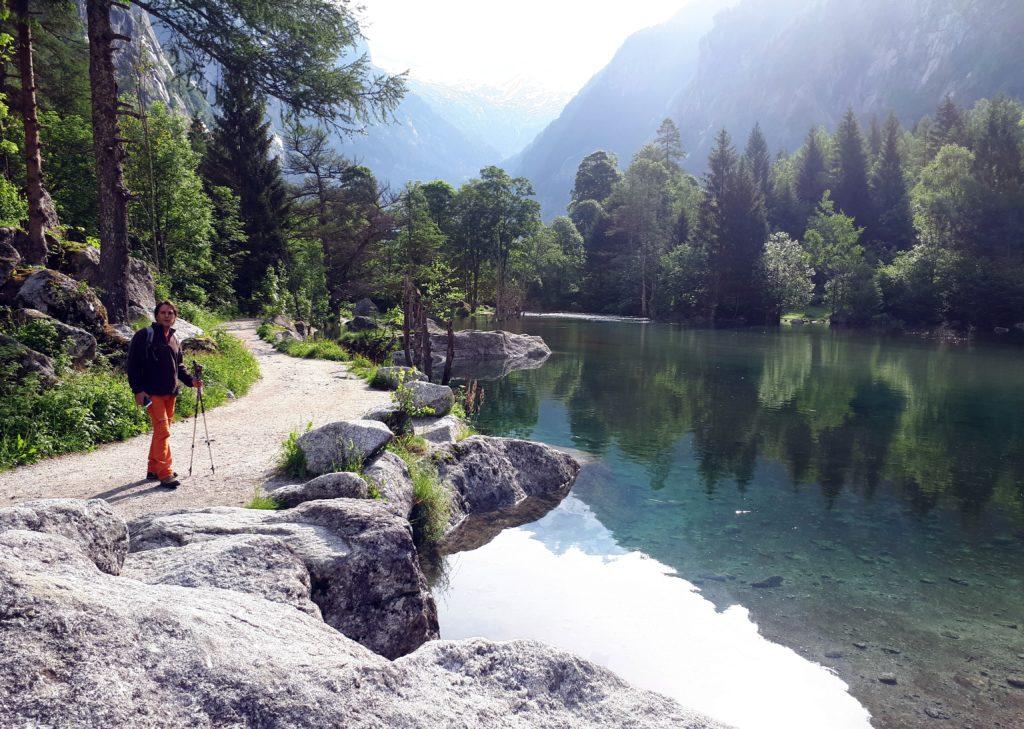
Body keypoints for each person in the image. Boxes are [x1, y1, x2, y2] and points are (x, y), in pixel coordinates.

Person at [126, 300, 203, 489]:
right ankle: (165, 473)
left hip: (170, 393)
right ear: (156, 315)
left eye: (170, 313)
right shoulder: (144, 335)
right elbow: (132, 365)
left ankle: (153, 468)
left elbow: (180, 365)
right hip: (151, 393)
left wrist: (191, 381)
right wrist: (137, 390)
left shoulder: (175, 339)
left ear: (175, 317)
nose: (167, 315)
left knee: (161, 431)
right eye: (163, 312)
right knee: (163, 431)